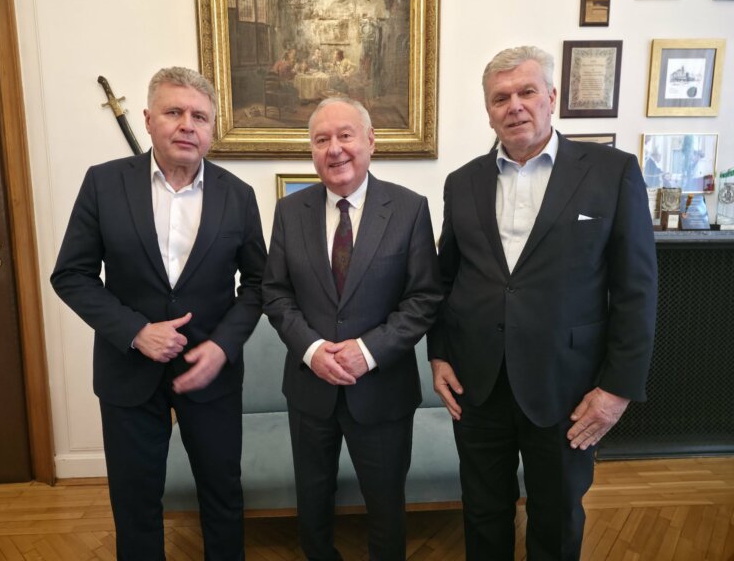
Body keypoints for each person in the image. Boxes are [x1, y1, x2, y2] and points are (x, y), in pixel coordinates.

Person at [427, 46, 658, 560]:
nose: (514, 106)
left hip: (567, 386)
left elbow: (636, 290)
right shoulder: (462, 183)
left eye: (527, 92)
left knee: (555, 516)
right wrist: (439, 353)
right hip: (478, 384)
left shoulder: (612, 172)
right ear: (488, 110)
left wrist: (617, 389)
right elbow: (445, 279)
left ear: (552, 97)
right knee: (482, 512)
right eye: (500, 98)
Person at [51, 66, 267, 560]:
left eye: (200, 117)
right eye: (174, 112)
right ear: (149, 120)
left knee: (222, 493)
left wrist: (222, 346)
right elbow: (72, 275)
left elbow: (259, 283)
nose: (187, 125)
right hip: (127, 369)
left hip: (209, 372)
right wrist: (136, 331)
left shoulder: (238, 195)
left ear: (212, 129)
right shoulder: (103, 184)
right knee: (135, 501)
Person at [262, 97, 442, 560]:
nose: (334, 149)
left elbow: (423, 298)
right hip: (310, 389)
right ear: (312, 150)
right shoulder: (289, 211)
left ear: (370, 141)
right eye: (321, 139)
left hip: (382, 390)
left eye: (345, 135)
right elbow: (275, 294)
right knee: (312, 499)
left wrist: (369, 350)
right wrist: (311, 350)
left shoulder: (409, 209)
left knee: (385, 503)